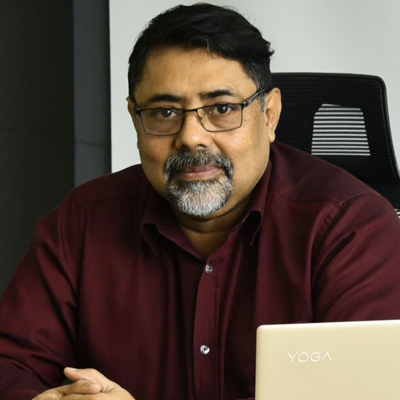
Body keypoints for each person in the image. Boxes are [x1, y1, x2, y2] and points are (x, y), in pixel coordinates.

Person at [1, 3, 400, 400]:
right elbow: (10, 365)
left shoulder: (351, 228)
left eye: (222, 109)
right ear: (135, 118)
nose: (191, 137)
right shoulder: (83, 221)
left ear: (270, 114)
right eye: (164, 112)